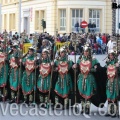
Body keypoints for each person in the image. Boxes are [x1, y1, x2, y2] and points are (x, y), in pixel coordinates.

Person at [73, 44, 100, 115]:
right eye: (85, 51)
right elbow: (77, 68)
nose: (86, 52)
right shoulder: (80, 59)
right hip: (81, 78)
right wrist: (75, 66)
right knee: (81, 92)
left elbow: (97, 69)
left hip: (89, 78)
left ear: (89, 51)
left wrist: (91, 69)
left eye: (87, 51)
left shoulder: (93, 59)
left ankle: (87, 108)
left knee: (88, 92)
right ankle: (82, 107)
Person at [105, 50, 120, 117]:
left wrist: (118, 67)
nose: (110, 56)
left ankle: (115, 111)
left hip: (115, 81)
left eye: (112, 55)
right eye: (110, 55)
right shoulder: (108, 62)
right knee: (109, 95)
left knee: (114, 95)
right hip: (109, 81)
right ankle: (109, 111)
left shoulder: (117, 62)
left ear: (114, 56)